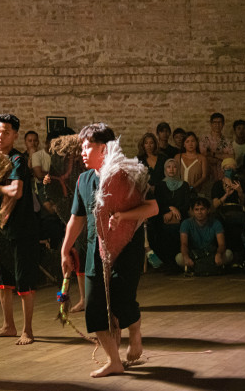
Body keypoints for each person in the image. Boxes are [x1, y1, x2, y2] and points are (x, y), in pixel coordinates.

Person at [60, 123, 158, 377]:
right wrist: (65, 250)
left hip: (127, 247)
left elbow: (152, 208)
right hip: (95, 249)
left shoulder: (126, 175)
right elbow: (77, 219)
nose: (82, 152)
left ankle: (134, 331)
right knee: (94, 309)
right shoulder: (83, 180)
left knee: (122, 301)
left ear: (104, 148)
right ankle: (114, 361)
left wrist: (124, 216)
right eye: (82, 147)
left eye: (87, 147)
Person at [0, 114, 40, 346]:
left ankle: (28, 330)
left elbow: (16, 191)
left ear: (15, 135)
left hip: (21, 229)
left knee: (23, 279)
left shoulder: (17, 160)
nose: (1, 136)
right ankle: (8, 325)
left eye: (6, 132)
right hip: (1, 229)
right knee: (3, 279)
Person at [176, 197, 233, 271]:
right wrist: (186, 257)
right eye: (196, 209)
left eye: (202, 209)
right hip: (195, 254)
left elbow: (221, 244)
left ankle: (198, 267)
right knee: (179, 258)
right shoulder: (186, 223)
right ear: (192, 211)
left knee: (228, 254)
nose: (199, 212)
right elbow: (184, 244)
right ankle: (205, 266)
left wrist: (218, 254)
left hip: (211, 254)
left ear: (208, 210)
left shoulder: (216, 223)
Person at [153, 159, 191, 266]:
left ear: (178, 169)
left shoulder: (184, 185)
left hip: (181, 216)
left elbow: (187, 204)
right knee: (161, 230)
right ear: (165, 169)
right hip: (163, 215)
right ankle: (167, 262)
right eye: (168, 167)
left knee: (179, 228)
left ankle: (179, 261)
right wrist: (170, 209)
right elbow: (158, 204)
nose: (171, 169)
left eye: (174, 167)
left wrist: (176, 211)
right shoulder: (160, 185)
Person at [211, 158, 245, 262]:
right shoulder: (218, 184)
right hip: (223, 212)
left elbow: (243, 203)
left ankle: (238, 257)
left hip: (237, 211)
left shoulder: (239, 183)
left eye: (232, 168)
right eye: (227, 168)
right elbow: (215, 204)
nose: (230, 170)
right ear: (223, 169)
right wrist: (226, 195)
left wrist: (240, 191)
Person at [199, 112, 234, 194]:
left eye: (220, 122)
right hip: (208, 173)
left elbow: (231, 157)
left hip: (223, 174)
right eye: (215, 122)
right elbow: (204, 155)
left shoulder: (227, 141)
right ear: (211, 124)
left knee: (222, 195)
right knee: (208, 196)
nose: (217, 125)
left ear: (223, 124)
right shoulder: (204, 139)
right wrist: (222, 157)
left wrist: (213, 154)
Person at [175, 132, 208, 196]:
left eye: (192, 141)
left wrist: (192, 187)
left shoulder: (202, 158)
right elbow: (174, 174)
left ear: (196, 143)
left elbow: (204, 176)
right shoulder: (178, 157)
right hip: (179, 192)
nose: (190, 144)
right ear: (184, 144)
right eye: (187, 141)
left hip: (196, 193)